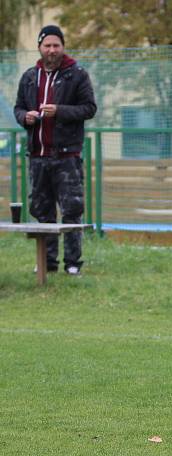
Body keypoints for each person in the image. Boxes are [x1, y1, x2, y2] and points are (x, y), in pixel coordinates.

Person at [14, 25, 96, 276]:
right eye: (47, 45)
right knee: (42, 210)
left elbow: (89, 108)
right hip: (38, 156)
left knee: (72, 210)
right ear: (40, 47)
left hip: (66, 156)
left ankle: (72, 263)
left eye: (56, 45)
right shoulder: (29, 77)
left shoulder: (77, 75)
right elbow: (18, 108)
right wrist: (24, 117)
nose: (52, 50)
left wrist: (59, 110)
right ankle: (47, 262)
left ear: (63, 47)